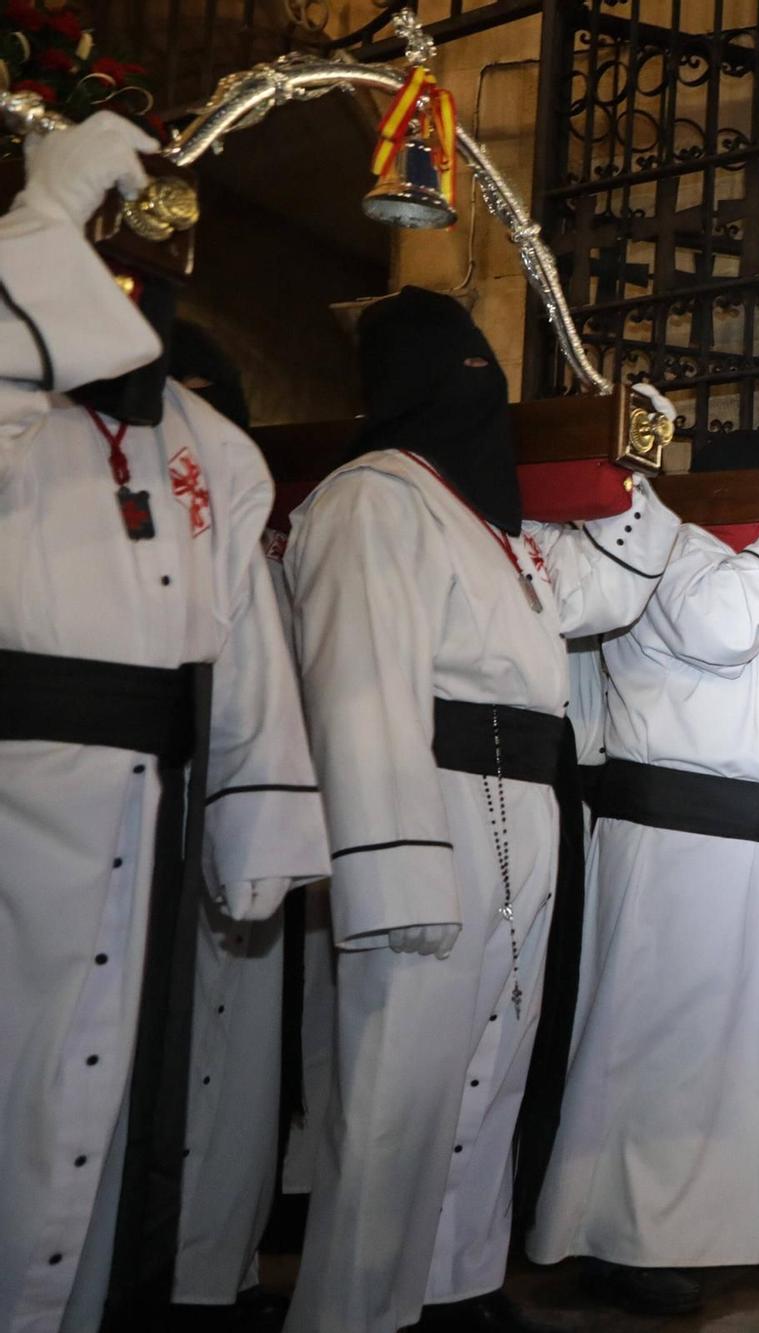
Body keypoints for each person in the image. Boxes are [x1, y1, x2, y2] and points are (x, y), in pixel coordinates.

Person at [282, 287, 672, 1333]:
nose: (480, 400)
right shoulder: (373, 497)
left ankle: (455, 1280)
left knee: (491, 1066)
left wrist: (636, 456)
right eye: (461, 377)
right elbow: (358, 688)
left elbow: (614, 585)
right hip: (430, 806)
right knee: (397, 1088)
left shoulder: (493, 528)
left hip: (519, 808)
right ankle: (356, 1310)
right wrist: (392, 865)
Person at [0, 115, 329, 1331]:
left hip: (150, 814)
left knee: (101, 1110)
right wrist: (39, 211)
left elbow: (239, 639)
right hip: (18, 792)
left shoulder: (216, 451)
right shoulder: (21, 402)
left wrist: (255, 823)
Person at [526, 430, 759, 1316]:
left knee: (757, 1053)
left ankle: (730, 1219)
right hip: (676, 845)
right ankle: (625, 1239)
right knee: (662, 1047)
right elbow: (720, 628)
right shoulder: (667, 549)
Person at [165, 321, 296, 1330]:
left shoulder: (265, 542)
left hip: (251, 810)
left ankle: (222, 1264)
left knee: (239, 1066)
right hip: (158, 803)